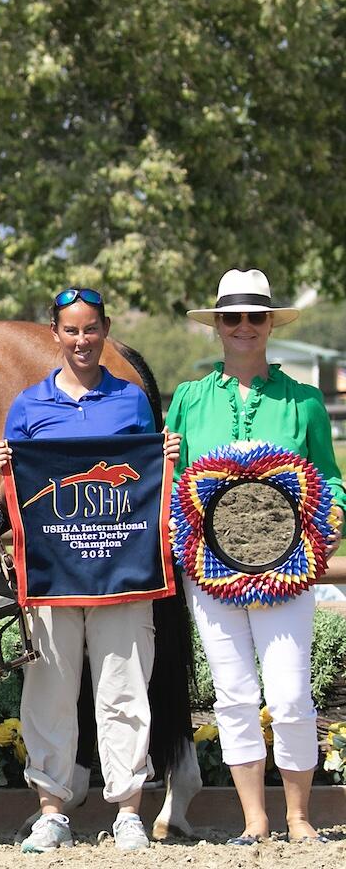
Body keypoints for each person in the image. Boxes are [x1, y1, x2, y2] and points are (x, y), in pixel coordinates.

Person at [0, 288, 180, 853]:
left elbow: (145, 478)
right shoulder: (27, 406)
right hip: (53, 576)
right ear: (55, 334)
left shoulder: (132, 401)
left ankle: (127, 809)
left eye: (90, 329)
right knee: (48, 690)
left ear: (104, 330)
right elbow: (18, 492)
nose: (81, 340)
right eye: (70, 330)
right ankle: (52, 810)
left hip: (121, 574)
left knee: (124, 690)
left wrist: (163, 459)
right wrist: (4, 469)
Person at [165, 268, 344, 845]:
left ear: (270, 323)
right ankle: (254, 821)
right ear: (217, 325)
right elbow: (172, 483)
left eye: (255, 317)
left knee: (291, 693)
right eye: (232, 317)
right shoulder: (189, 400)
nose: (244, 327)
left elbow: (332, 482)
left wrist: (331, 522)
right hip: (211, 574)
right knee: (233, 693)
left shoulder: (307, 402)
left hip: (287, 571)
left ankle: (298, 816)